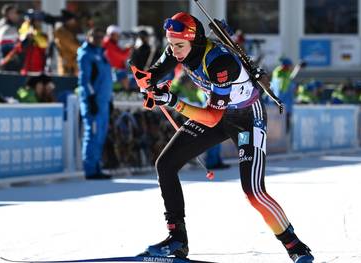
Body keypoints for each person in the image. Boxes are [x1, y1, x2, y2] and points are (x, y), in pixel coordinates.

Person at [130, 12, 314, 262]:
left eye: (179, 45)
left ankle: (295, 246)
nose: (174, 51)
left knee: (253, 191)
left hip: (247, 118)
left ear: (194, 42)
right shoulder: (178, 47)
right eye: (171, 44)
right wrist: (146, 81)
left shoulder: (220, 62)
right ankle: (177, 240)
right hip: (218, 114)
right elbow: (156, 71)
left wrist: (173, 101)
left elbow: (211, 117)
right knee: (166, 164)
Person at [77, 28, 114, 180]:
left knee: (100, 135)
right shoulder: (86, 55)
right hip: (93, 102)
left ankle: (97, 166)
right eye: (95, 35)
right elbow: (84, 81)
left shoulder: (101, 54)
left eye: (100, 36)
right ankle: (90, 169)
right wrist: (91, 99)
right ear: (88, 37)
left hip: (103, 102)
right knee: (92, 134)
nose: (98, 38)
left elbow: (106, 79)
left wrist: (110, 100)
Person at [18, 9, 49, 75]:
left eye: (40, 20)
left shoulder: (39, 32)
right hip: (27, 69)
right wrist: (28, 37)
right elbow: (21, 45)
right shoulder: (25, 28)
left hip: (39, 69)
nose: (40, 23)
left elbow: (44, 45)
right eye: (38, 20)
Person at [102, 25, 132, 91]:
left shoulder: (112, 43)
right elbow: (121, 57)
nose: (118, 36)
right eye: (117, 35)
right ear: (111, 34)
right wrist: (128, 49)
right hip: (113, 71)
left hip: (116, 70)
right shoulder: (108, 43)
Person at [0, 4, 22, 71]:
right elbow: (12, 51)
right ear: (8, 14)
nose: (17, 15)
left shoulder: (11, 27)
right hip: (8, 68)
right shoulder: (7, 29)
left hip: (9, 66)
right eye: (15, 13)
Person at [53, 9, 80, 76]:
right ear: (68, 21)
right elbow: (72, 46)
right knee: (66, 83)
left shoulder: (70, 30)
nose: (74, 22)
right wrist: (83, 50)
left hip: (73, 63)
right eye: (73, 20)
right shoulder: (61, 32)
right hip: (66, 64)